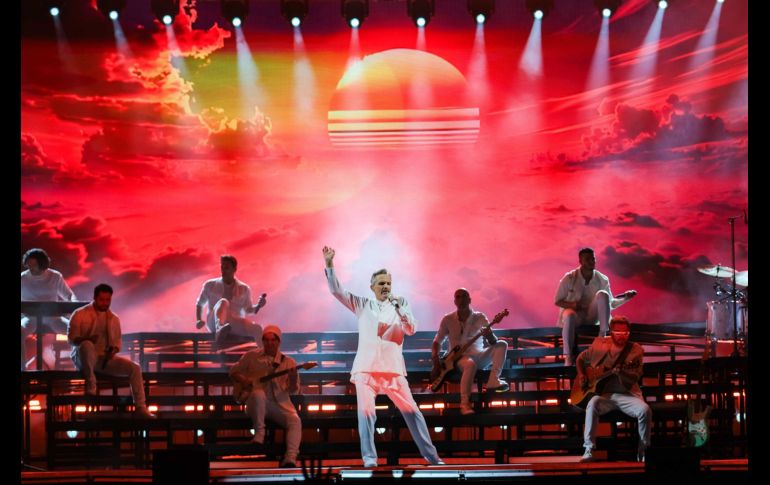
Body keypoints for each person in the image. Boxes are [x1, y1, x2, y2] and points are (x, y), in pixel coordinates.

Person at [323, 246, 444, 467]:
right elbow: (337, 291)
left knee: (413, 413)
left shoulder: (401, 304)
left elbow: (411, 329)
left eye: (388, 283)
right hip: (366, 369)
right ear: (372, 287)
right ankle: (370, 460)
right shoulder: (363, 305)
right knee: (367, 415)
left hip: (393, 369)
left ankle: (433, 457)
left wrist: (400, 310)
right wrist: (330, 264)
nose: (386, 286)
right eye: (381, 283)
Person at [68, 284, 155, 419]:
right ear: (95, 298)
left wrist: (113, 350)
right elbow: (72, 339)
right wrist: (88, 339)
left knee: (135, 368)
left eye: (108, 300)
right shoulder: (79, 314)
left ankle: (140, 407)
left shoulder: (114, 318)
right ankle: (91, 382)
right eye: (102, 300)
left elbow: (117, 343)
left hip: (104, 359)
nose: (105, 303)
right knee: (87, 345)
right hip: (83, 358)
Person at [575, 316, 650, 463]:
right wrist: (582, 374)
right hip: (607, 395)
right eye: (618, 332)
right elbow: (580, 359)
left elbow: (634, 378)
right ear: (611, 331)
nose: (622, 336)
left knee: (645, 410)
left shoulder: (635, 350)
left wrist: (622, 372)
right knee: (593, 403)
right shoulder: (600, 345)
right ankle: (588, 449)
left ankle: (643, 453)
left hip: (629, 395)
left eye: (625, 333)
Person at [229, 325, 301, 468]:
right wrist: (244, 380)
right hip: (254, 403)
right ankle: (259, 433)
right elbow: (233, 371)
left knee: (295, 420)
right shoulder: (251, 357)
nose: (270, 343)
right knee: (258, 393)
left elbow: (293, 391)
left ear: (278, 342)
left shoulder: (288, 362)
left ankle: (291, 457)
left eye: (273, 340)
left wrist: (292, 379)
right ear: (262, 341)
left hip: (278, 404)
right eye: (266, 340)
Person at [554, 247, 637, 366]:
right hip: (575, 316)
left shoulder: (602, 279)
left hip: (591, 317)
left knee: (603, 294)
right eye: (588, 259)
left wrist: (626, 298)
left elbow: (611, 303)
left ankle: (602, 337)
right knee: (569, 315)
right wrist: (572, 305)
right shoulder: (570, 278)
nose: (591, 261)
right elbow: (557, 301)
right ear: (580, 262)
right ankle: (568, 357)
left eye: (593, 258)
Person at [432, 288, 509, 415]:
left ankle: (493, 380)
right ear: (454, 301)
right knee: (469, 364)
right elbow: (437, 341)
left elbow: (492, 342)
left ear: (469, 300)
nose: (461, 299)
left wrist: (489, 335)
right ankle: (465, 404)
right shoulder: (448, 319)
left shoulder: (480, 317)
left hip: (479, 356)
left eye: (464, 296)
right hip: (458, 359)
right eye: (458, 297)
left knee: (502, 344)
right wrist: (435, 360)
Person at [20, 248, 78, 369]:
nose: (30, 268)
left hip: (54, 318)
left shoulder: (55, 276)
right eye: (29, 265)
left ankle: (79, 366)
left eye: (34, 265)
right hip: (31, 318)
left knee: (77, 331)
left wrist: (75, 307)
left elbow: (69, 296)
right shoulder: (23, 278)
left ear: (42, 264)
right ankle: (22, 371)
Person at [195, 255, 266, 345]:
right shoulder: (210, 285)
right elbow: (200, 304)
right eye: (222, 267)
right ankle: (219, 329)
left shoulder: (244, 288)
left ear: (234, 269)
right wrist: (198, 320)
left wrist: (259, 306)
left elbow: (248, 309)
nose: (223, 270)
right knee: (223, 302)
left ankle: (265, 357)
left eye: (226, 267)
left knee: (257, 328)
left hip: (233, 322)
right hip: (214, 322)